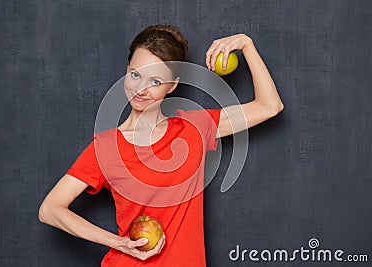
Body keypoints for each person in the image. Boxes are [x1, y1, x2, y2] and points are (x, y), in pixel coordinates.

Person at [38, 24, 284, 266]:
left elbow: (269, 106)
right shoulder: (106, 147)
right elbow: (50, 209)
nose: (140, 89)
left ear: (172, 85)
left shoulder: (194, 128)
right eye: (135, 75)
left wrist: (246, 44)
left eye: (155, 81)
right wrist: (118, 243)